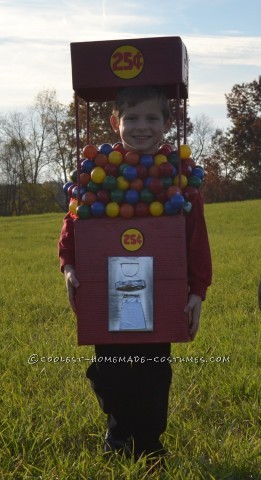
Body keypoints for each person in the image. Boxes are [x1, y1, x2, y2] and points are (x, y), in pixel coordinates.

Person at [58, 86, 212, 461]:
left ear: (168, 123)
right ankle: (118, 430)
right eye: (132, 118)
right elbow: (73, 224)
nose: (142, 127)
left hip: (160, 298)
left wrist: (197, 291)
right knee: (108, 372)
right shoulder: (98, 176)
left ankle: (148, 445)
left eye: (152, 118)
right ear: (115, 122)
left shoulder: (178, 180)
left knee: (152, 374)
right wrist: (69, 266)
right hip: (105, 294)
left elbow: (195, 240)